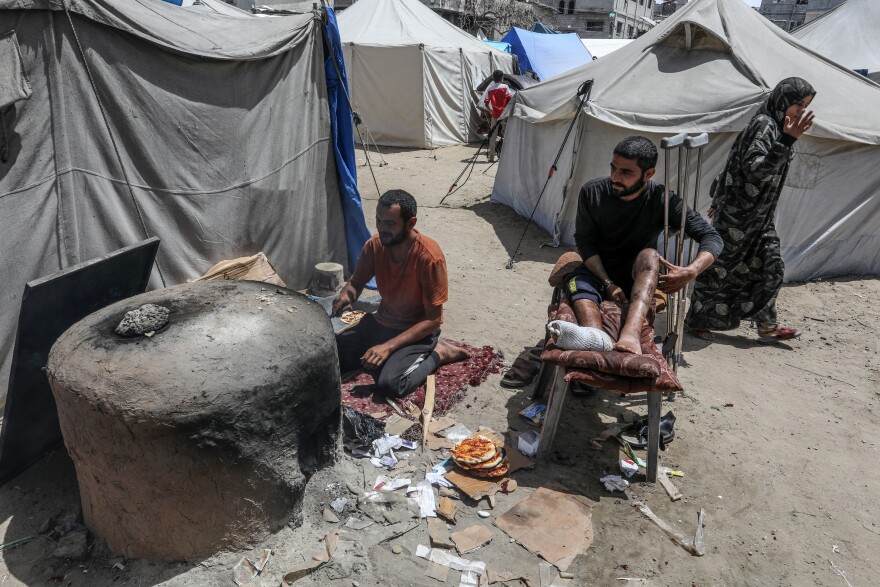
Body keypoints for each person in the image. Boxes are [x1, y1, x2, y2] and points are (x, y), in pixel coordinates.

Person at [562, 136, 723, 354]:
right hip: (596, 274)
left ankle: (631, 333)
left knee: (650, 255)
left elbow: (712, 237)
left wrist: (690, 271)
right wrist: (608, 283)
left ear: (648, 174)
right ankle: (596, 342)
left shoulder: (663, 200)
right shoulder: (592, 192)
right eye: (613, 168)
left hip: (638, 277)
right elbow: (585, 242)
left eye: (626, 172)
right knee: (578, 290)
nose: (615, 177)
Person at [685, 78, 816, 344]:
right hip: (738, 216)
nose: (800, 111)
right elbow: (753, 168)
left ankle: (767, 326)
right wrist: (787, 141)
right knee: (718, 268)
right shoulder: (765, 125)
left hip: (759, 218)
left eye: (805, 106)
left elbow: (733, 163)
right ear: (782, 101)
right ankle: (696, 320)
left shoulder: (778, 127)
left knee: (772, 266)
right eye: (797, 104)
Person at [332, 190, 470, 398]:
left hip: (417, 334)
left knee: (391, 384)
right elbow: (356, 283)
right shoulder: (375, 246)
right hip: (381, 324)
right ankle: (388, 355)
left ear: (410, 222)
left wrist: (387, 348)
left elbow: (433, 320)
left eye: (390, 224)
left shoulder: (429, 257)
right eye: (379, 221)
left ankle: (439, 354)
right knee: (329, 356)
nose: (381, 229)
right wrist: (346, 296)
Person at [480, 70, 514, 163]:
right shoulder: (505, 87)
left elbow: (486, 103)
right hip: (504, 114)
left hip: (494, 115)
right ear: (502, 78)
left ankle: (491, 157)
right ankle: (507, 156)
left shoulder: (490, 89)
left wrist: (491, 110)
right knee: (507, 135)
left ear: (493, 79)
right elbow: (510, 99)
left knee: (492, 136)